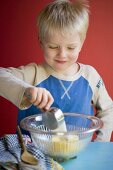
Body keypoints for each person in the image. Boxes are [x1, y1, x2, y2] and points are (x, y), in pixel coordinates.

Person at [0, 0, 113, 141]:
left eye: (70, 47)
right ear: (41, 43)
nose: (62, 55)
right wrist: (26, 90)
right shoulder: (34, 73)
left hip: (78, 153)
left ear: (81, 44)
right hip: (34, 156)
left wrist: (101, 143)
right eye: (53, 47)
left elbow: (108, 110)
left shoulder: (90, 76)